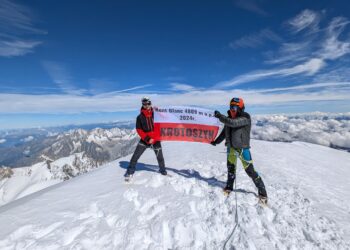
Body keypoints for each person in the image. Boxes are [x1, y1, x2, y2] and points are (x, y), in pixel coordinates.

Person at [211, 97, 268, 203]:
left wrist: (219, 116)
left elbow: (233, 123)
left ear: (240, 108)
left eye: (235, 107)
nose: (232, 109)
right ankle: (229, 187)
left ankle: (262, 192)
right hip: (231, 148)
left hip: (243, 149)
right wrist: (216, 141)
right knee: (231, 169)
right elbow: (224, 133)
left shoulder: (245, 117)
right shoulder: (229, 118)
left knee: (250, 171)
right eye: (231, 107)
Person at [125, 97, 167, 180]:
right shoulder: (140, 117)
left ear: (150, 103)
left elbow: (165, 120)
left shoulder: (156, 114)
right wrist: (147, 139)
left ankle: (162, 170)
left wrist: (160, 111)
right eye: (144, 104)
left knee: (160, 157)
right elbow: (139, 129)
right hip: (145, 140)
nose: (146, 105)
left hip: (155, 140)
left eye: (147, 103)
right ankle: (130, 172)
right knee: (135, 156)